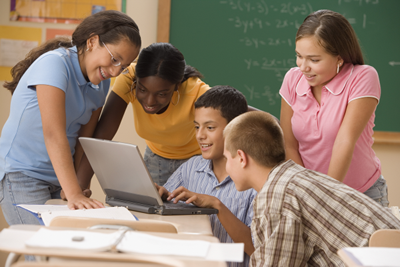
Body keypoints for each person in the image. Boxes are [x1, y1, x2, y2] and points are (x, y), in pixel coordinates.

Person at [0, 10, 141, 226]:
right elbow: (53, 134)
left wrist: (75, 183)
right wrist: (73, 192)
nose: (114, 72)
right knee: (42, 252)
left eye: (122, 67)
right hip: (22, 174)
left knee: (66, 246)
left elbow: (82, 138)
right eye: (114, 59)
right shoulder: (54, 65)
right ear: (93, 41)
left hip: (58, 177)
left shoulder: (100, 81)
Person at [223, 111, 400, 267]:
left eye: (226, 159)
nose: (226, 167)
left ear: (241, 157)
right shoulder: (294, 176)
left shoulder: (276, 195)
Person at [279, 10, 387, 206]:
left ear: (339, 58)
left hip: (362, 195)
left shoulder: (362, 77)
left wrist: (326, 198)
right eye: (299, 56)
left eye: (314, 60)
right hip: (311, 194)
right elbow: (289, 144)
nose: (303, 67)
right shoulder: (292, 79)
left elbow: (344, 141)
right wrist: (309, 191)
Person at [76, 42, 210, 189]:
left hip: (195, 161)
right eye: (142, 90)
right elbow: (103, 134)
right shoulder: (129, 78)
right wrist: (80, 186)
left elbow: (227, 134)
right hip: (155, 158)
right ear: (136, 80)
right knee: (149, 209)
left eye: (161, 94)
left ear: (177, 85)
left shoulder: (198, 92)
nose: (149, 101)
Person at [156, 86, 257, 267]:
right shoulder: (191, 167)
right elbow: (169, 212)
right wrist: (163, 197)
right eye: (196, 126)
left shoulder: (255, 180)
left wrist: (217, 206)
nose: (200, 135)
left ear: (236, 129)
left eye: (210, 127)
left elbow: (257, 250)